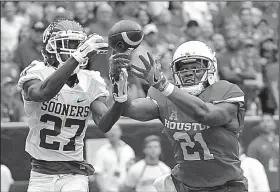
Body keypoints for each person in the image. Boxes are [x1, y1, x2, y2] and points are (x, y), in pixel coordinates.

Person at [100, 40, 248, 191]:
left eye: (196, 67)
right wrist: (118, 81)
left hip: (226, 185)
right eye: (183, 68)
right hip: (184, 185)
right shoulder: (164, 95)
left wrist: (163, 85)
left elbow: (204, 114)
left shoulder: (226, 91)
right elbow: (129, 109)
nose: (189, 72)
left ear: (211, 68)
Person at [17, 19, 121, 192]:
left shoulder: (91, 79)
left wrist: (120, 96)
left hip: (74, 173)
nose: (74, 50)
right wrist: (77, 57)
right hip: (41, 173)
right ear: (51, 47)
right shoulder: (36, 71)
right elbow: (43, 93)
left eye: (78, 45)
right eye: (69, 45)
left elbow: (104, 123)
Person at [94, 124, 135, 192]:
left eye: (115, 130)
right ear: (106, 133)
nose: (113, 133)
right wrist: (103, 190)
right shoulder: (101, 151)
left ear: (120, 132)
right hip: (108, 190)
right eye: (110, 130)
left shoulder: (128, 150)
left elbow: (132, 171)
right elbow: (98, 173)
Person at [247, 114, 279, 192]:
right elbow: (249, 169)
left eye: (268, 121)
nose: (265, 123)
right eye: (262, 121)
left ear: (274, 124)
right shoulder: (254, 145)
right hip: (265, 186)